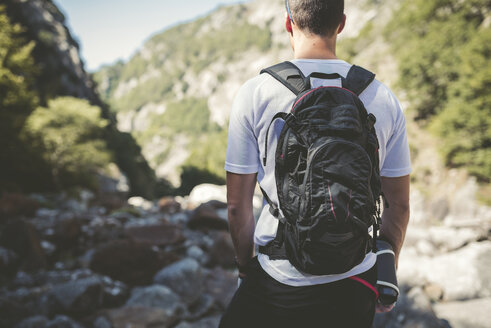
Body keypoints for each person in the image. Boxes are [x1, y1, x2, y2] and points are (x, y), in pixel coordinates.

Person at [220, 0, 411, 327]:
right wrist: (385, 264)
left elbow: (237, 207)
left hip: (278, 278)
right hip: (356, 277)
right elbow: (399, 205)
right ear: (342, 23)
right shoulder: (382, 97)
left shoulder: (256, 93)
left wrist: (243, 269)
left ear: (287, 23)